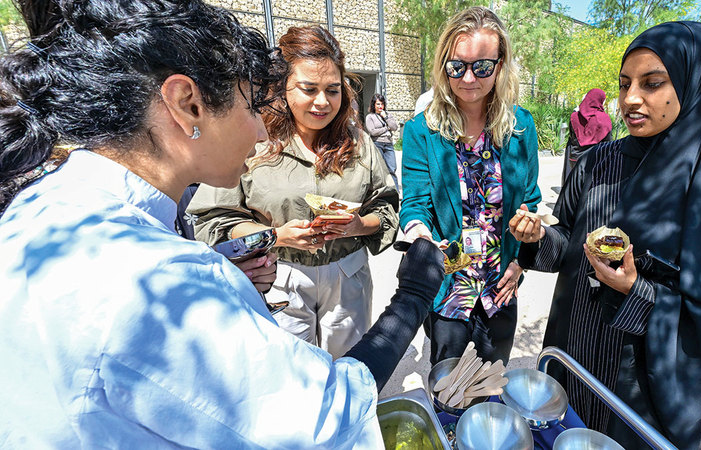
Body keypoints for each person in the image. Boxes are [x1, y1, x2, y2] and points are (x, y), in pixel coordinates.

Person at [0, 1, 444, 447]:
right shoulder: (159, 280)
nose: (261, 132)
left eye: (334, 90)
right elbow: (323, 419)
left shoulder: (47, 204)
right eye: (253, 106)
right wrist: (414, 295)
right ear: (187, 104)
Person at [510, 21, 701, 449]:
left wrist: (636, 291)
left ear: (696, 83)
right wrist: (536, 238)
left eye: (652, 83)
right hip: (576, 360)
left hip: (643, 395)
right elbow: (564, 243)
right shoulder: (599, 162)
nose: (630, 99)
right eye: (624, 84)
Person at [188, 26, 399, 359]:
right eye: (308, 88)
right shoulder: (254, 143)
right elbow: (215, 217)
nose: (322, 102)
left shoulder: (358, 142)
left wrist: (358, 225)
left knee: (351, 371)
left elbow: (386, 208)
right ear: (282, 88)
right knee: (291, 376)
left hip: (348, 275)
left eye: (332, 90)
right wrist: (274, 236)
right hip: (279, 274)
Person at [401, 6, 542, 366]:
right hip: (449, 284)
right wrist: (420, 235)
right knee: (448, 389)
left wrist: (520, 263)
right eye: (456, 66)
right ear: (443, 65)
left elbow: (530, 202)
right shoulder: (421, 131)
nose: (468, 78)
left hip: (502, 286)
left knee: (492, 385)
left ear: (500, 65)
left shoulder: (521, 128)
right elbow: (415, 203)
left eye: (482, 66)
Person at [561, 88, 613, 185]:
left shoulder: (574, 116)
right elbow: (609, 142)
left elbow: (572, 136)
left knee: (574, 188)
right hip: (595, 161)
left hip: (575, 158)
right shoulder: (604, 119)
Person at [365, 93, 400, 190]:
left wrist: (386, 117)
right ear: (374, 105)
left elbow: (394, 127)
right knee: (379, 170)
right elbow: (372, 132)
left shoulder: (388, 115)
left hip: (388, 144)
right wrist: (386, 128)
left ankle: (395, 192)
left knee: (392, 168)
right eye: (378, 104)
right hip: (377, 144)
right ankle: (382, 192)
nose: (380, 106)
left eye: (382, 104)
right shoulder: (370, 117)